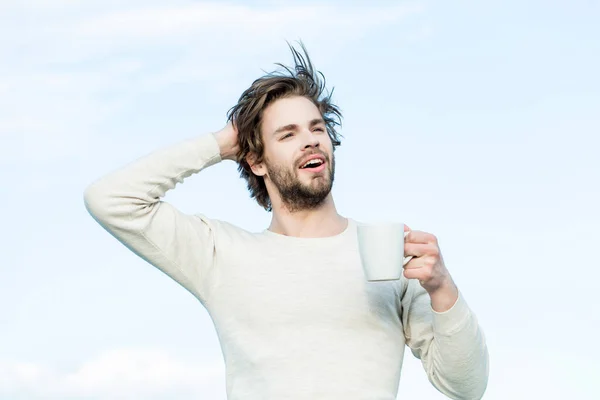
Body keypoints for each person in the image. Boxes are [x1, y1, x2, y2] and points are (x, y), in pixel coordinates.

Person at [84, 42, 489, 400]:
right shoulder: (220, 254)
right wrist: (223, 142)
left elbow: (465, 387)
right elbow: (111, 199)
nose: (311, 139)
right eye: (288, 134)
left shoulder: (391, 256)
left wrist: (443, 289)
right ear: (256, 160)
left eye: (317, 128)